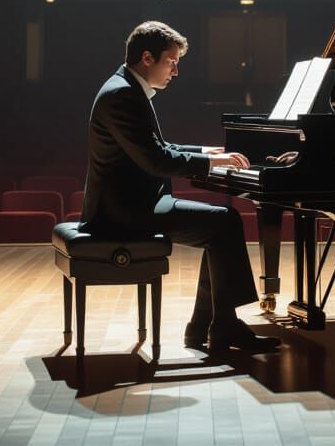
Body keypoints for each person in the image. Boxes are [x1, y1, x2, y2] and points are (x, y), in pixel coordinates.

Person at [81, 20, 280, 353]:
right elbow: (156, 160)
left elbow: (156, 146)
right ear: (147, 58)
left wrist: (205, 152)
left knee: (219, 225)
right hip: (123, 213)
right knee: (225, 223)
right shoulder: (122, 96)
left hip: (132, 203)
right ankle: (222, 326)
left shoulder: (126, 88)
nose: (175, 71)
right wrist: (212, 163)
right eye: (171, 62)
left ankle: (205, 325)